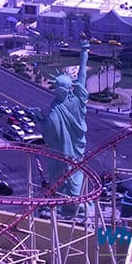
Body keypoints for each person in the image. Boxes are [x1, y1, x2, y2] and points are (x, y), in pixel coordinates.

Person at [32, 41, 89, 198]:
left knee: (61, 175)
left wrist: (39, 118)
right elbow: (82, 76)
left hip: (61, 154)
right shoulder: (78, 100)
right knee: (75, 172)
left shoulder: (55, 110)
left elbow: (49, 135)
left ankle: (66, 202)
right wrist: (84, 51)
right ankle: (75, 200)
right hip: (77, 152)